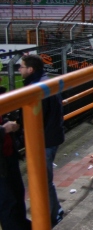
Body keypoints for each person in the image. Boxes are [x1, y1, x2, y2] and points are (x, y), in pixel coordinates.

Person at [19, 55, 65, 227]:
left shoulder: (36, 88)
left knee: (43, 180)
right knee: (44, 179)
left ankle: (51, 215)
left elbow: (39, 116)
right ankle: (53, 212)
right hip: (51, 137)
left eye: (21, 67)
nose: (19, 70)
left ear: (31, 69)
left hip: (45, 140)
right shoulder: (45, 83)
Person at [0, 87, 31, 230]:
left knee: (18, 193)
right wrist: (4, 129)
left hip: (9, 155)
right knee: (7, 201)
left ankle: (23, 224)